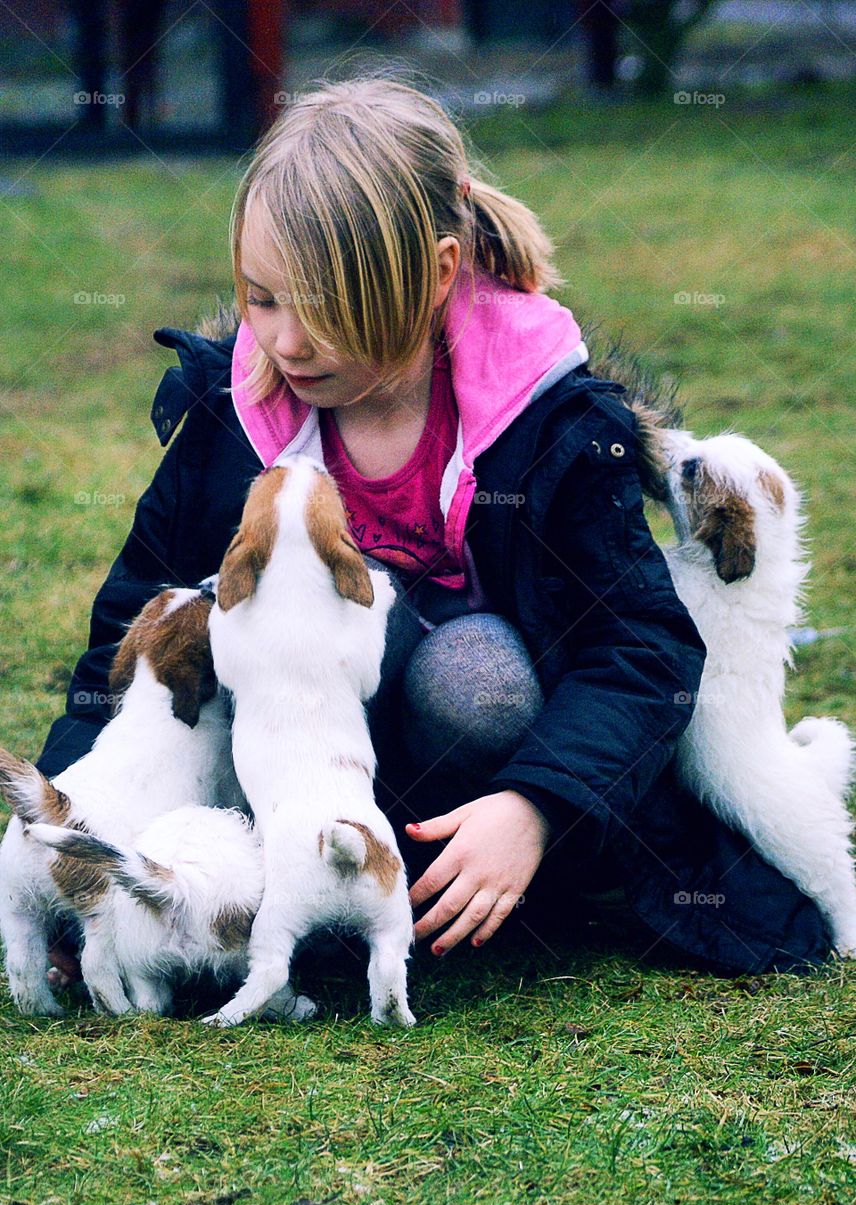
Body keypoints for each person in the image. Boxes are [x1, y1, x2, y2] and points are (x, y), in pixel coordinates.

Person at [38, 76, 832, 981]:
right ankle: (294, 891)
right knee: (203, 633)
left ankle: (472, 885)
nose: (287, 342)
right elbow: (132, 625)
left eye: (327, 308)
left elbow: (642, 648)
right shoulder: (234, 416)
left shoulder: (550, 429)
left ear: (439, 273)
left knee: (476, 673)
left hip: (466, 777)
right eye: (262, 300)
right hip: (288, 779)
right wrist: (75, 826)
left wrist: (535, 808)